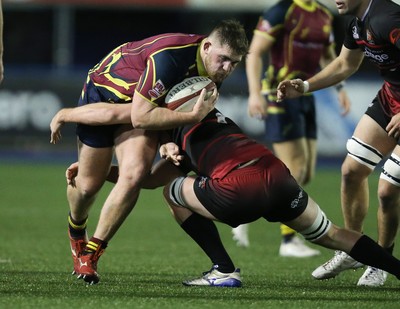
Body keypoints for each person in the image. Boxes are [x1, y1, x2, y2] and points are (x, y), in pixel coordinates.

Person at [55, 106, 400, 288]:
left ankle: (224, 269)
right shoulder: (213, 120)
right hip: (276, 175)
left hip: (240, 187)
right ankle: (396, 268)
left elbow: (149, 179)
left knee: (172, 194)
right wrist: (110, 172)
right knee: (332, 234)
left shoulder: (174, 127)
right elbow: (146, 176)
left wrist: (95, 157)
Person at [50, 19, 249, 285]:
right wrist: (189, 118)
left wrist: (167, 141)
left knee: (135, 174)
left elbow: (164, 108)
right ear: (207, 46)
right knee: (87, 186)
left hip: (141, 107)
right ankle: (76, 230)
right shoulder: (170, 58)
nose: (227, 68)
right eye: (224, 59)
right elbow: (141, 116)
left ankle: (91, 253)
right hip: (106, 94)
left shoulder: (212, 71)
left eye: (234, 63)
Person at [276, 0, 400, 287]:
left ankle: (382, 260)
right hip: (390, 99)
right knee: (351, 171)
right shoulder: (357, 23)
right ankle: (355, 249)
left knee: (386, 190)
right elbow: (345, 63)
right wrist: (305, 86)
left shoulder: (388, 20)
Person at [233, 0, 351, 257]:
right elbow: (255, 52)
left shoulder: (323, 14)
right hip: (280, 95)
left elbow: (328, 56)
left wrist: (340, 87)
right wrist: (254, 93)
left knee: (306, 173)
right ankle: (288, 242)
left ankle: (247, 210)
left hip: (305, 96)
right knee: (293, 168)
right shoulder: (281, 11)